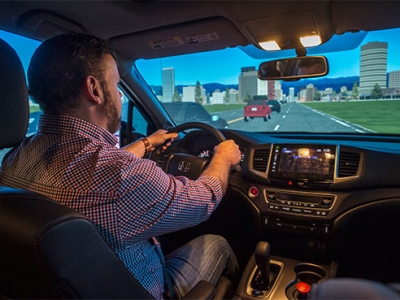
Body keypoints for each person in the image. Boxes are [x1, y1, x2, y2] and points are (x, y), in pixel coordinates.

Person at [0, 33, 241, 299]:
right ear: (94, 89)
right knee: (217, 243)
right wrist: (223, 157)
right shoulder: (123, 177)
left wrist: (147, 144)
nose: (120, 96)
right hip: (149, 290)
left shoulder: (14, 161)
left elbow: (96, 169)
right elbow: (203, 200)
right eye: (117, 85)